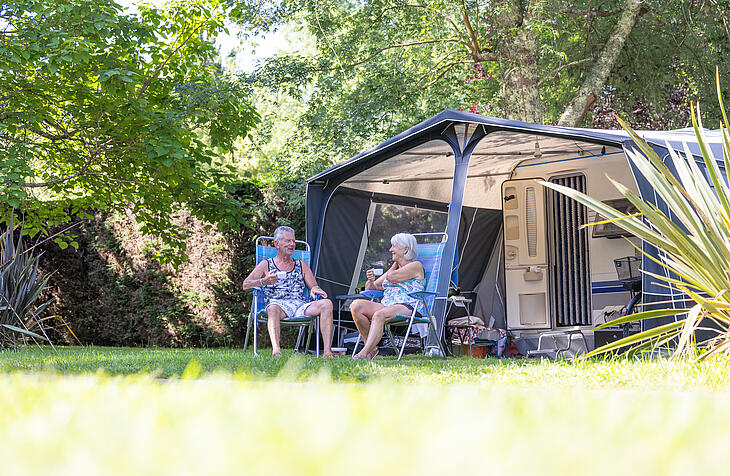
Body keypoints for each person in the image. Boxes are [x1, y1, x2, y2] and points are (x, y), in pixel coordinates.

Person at [243, 226, 335, 357]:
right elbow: (245, 284)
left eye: (293, 241)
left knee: (327, 304)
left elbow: (313, 285)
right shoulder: (266, 264)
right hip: (278, 306)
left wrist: (315, 289)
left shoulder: (301, 264)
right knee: (273, 308)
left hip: (300, 305)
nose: (292, 244)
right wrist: (264, 281)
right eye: (288, 241)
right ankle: (276, 351)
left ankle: (327, 352)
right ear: (277, 244)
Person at [350, 233, 425, 360]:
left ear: (405, 249)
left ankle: (363, 353)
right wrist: (371, 280)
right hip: (388, 305)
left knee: (379, 314)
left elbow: (391, 278)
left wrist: (393, 265)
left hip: (408, 306)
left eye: (393, 246)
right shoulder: (396, 267)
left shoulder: (416, 266)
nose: (390, 250)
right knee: (356, 305)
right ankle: (372, 349)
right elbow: (372, 288)